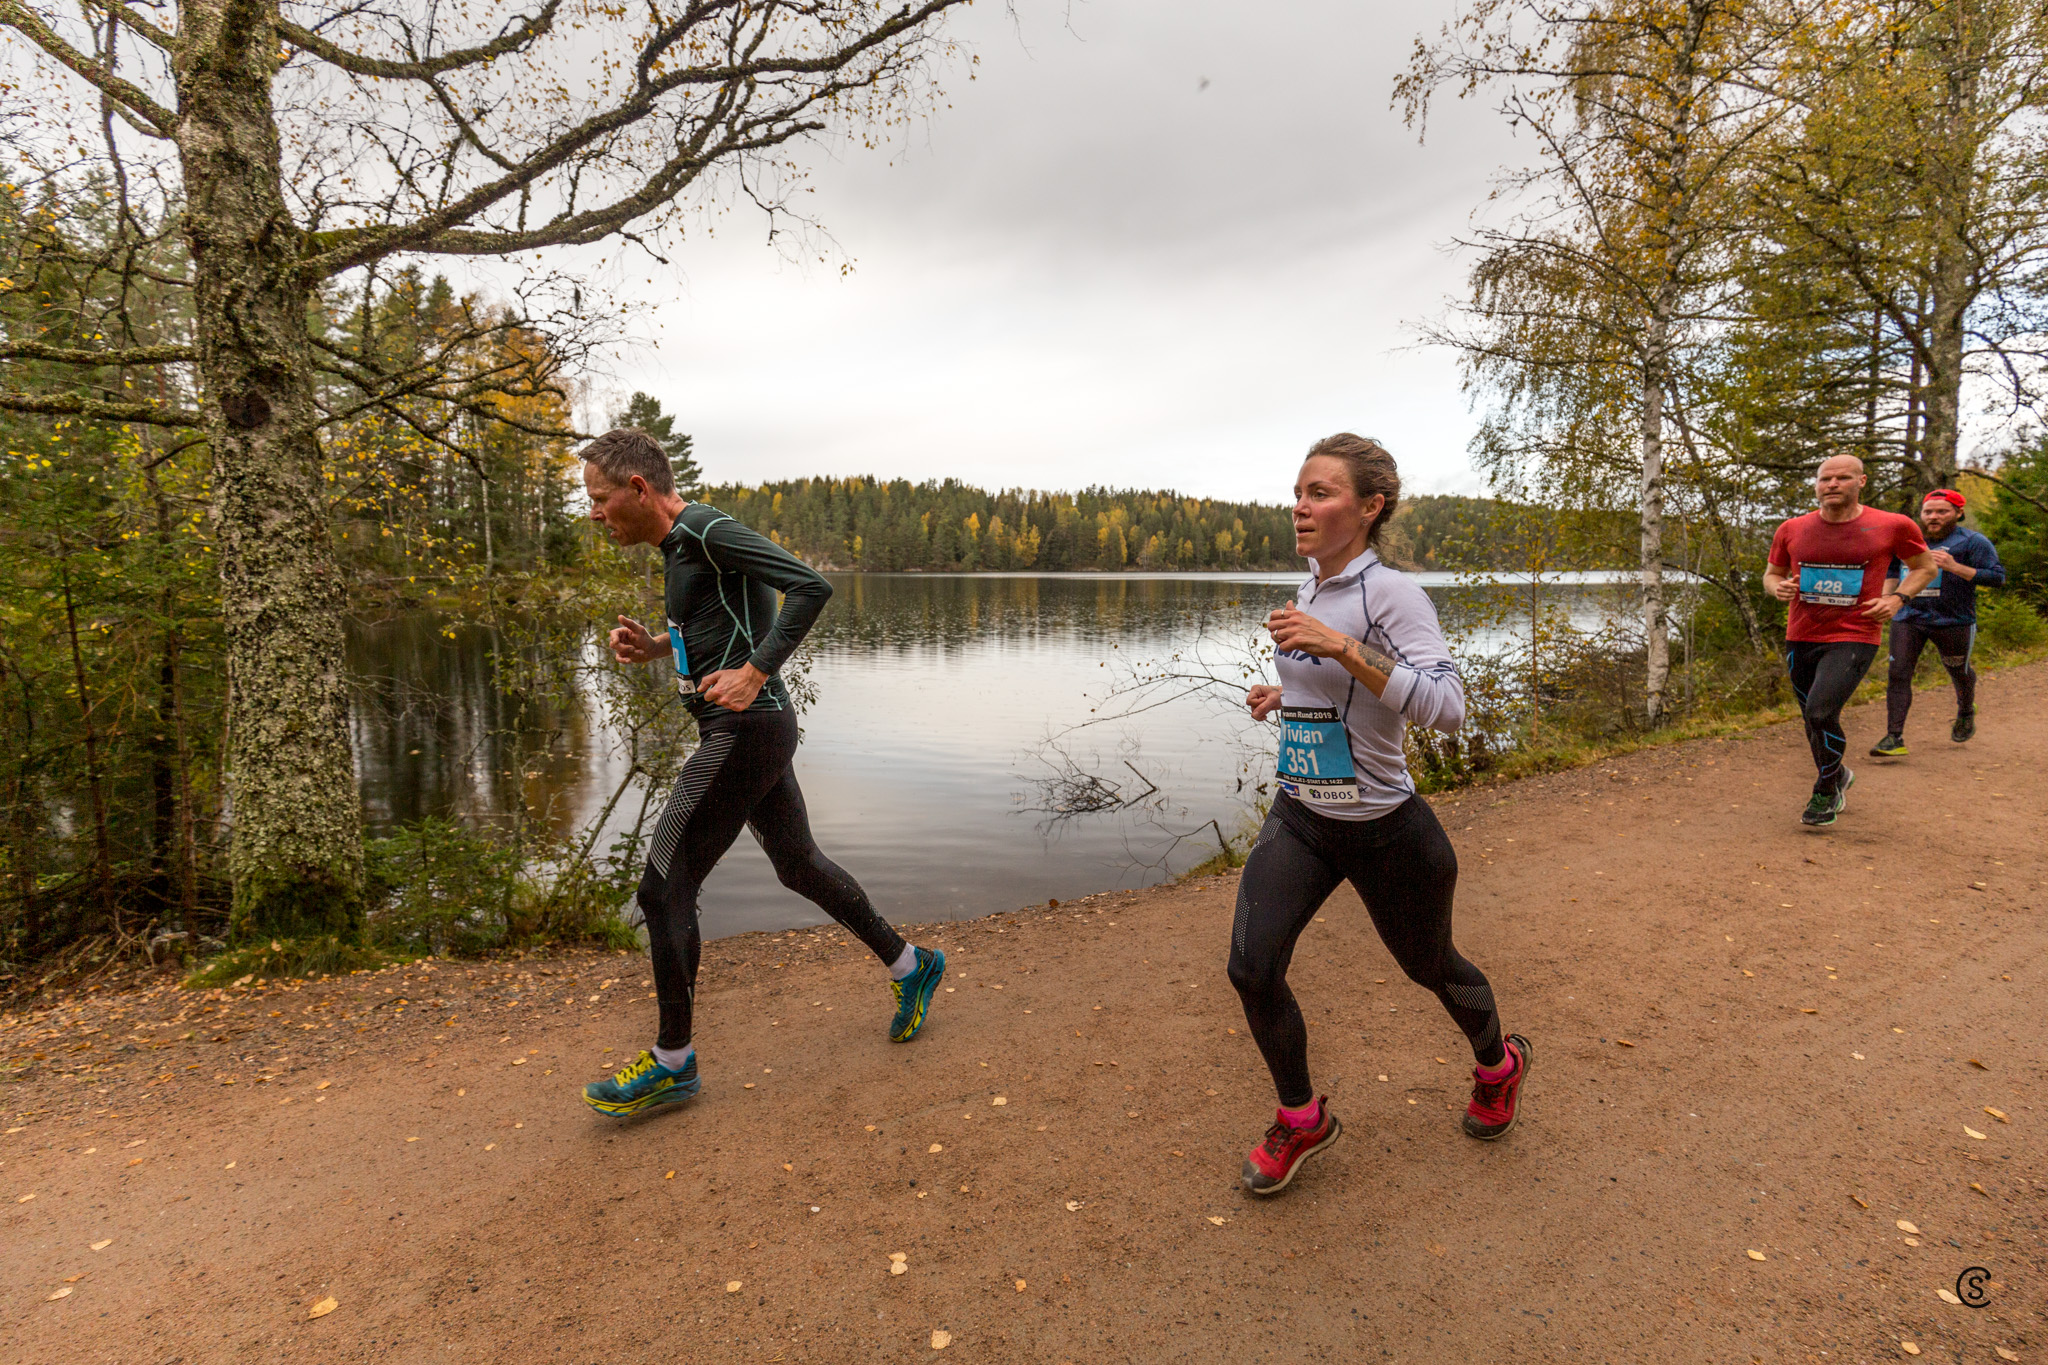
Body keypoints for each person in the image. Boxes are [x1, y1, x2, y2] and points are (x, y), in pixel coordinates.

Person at [574, 428, 944, 1118]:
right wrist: (660, 648)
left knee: (663, 887)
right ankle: (911, 964)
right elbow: (725, 623)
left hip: (744, 729)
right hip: (750, 730)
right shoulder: (680, 547)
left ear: (638, 489)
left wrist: (755, 671)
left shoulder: (707, 530)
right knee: (798, 864)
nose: (594, 513)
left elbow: (810, 586)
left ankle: (673, 1064)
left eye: (599, 498)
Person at [1229, 433, 1529, 1197]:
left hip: (1385, 828)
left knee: (1431, 966)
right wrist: (1287, 696)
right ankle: (1300, 1118)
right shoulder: (1311, 589)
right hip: (1303, 814)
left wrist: (1340, 646)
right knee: (1251, 967)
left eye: (1320, 493)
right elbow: (1342, 696)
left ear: (1370, 507)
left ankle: (1498, 1066)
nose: (1300, 507)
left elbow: (1447, 707)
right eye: (1297, 493)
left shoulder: (1391, 595)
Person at [1763, 455, 1936, 827]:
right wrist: (1778, 588)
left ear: (1861, 481)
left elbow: (1926, 567)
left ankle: (1826, 789)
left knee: (1820, 712)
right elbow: (1772, 574)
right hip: (1801, 635)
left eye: (1842, 477)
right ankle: (1838, 773)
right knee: (1812, 720)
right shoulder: (1792, 529)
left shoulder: (1892, 525)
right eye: (1825, 478)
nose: (1832, 484)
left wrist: (1897, 599)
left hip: (1856, 633)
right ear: (1816, 484)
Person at [1870, 488, 2006, 755]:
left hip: (1954, 620)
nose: (1933, 517)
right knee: (1898, 674)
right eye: (1928, 512)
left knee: (1958, 670)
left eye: (1942, 511)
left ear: (1958, 513)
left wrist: (1954, 566)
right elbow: (1892, 570)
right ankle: (1894, 737)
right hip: (1908, 617)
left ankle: (1965, 711)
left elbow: (1997, 577)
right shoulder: (1909, 540)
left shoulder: (1973, 541)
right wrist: (1886, 598)